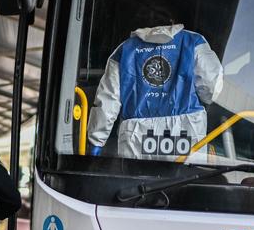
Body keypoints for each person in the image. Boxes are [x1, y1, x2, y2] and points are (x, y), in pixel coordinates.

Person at [87, 22, 223, 159]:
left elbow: (108, 100)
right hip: (186, 128)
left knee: (135, 179)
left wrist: (96, 141)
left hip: (136, 134)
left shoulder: (125, 49)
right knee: (187, 178)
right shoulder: (194, 41)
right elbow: (211, 87)